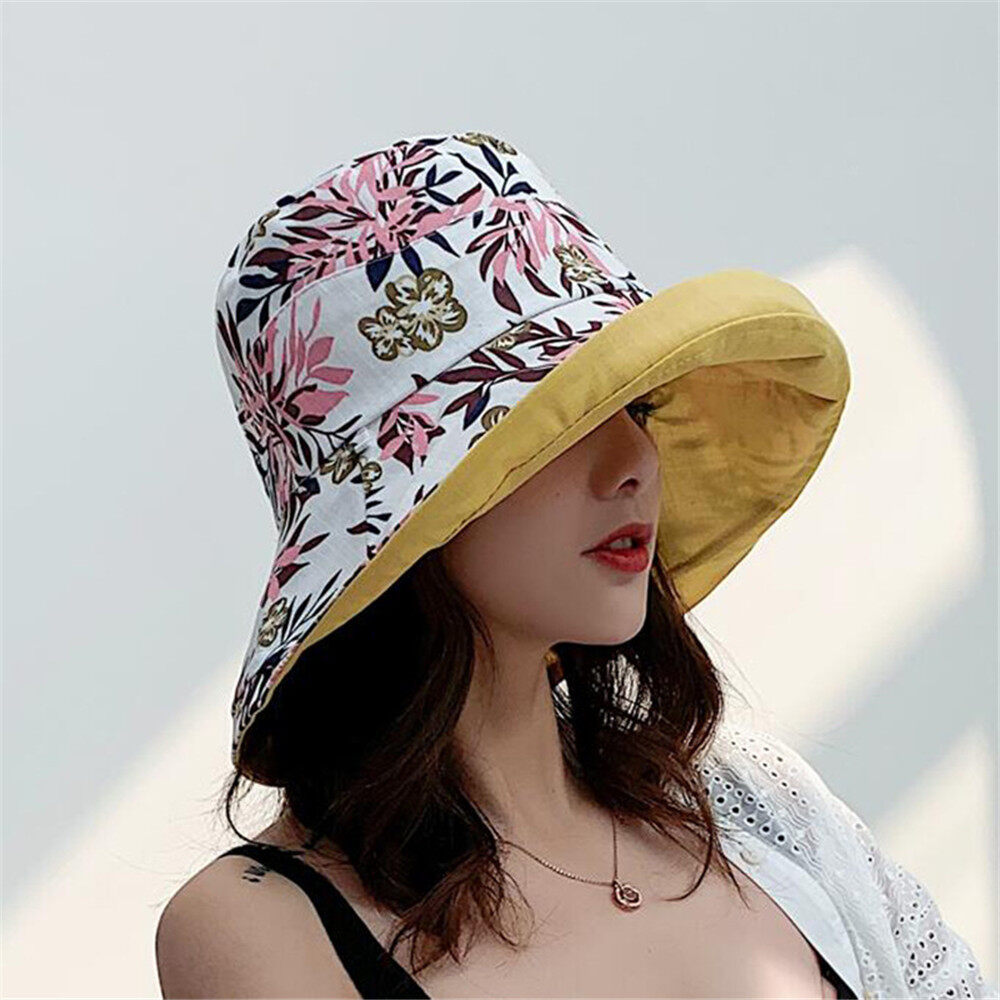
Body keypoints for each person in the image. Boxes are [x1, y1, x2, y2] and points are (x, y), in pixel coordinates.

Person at [155, 131, 993, 998]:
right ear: (407, 516)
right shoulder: (259, 920)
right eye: (554, 424)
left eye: (636, 405)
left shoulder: (752, 802)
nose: (635, 461)